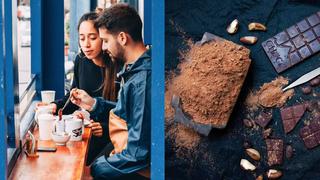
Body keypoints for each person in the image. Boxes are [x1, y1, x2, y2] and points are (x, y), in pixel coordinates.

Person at [70, 4, 151, 179]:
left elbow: (137, 155)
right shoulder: (135, 70)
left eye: (105, 40)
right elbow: (128, 113)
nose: (104, 47)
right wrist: (95, 104)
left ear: (122, 38)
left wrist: (94, 169)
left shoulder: (140, 81)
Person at [38, 12, 120, 165]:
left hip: (112, 138)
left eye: (93, 38)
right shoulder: (81, 60)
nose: (86, 44)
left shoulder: (118, 66)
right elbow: (74, 94)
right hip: (85, 132)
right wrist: (55, 105)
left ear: (103, 37)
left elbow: (126, 114)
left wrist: (106, 128)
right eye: (82, 38)